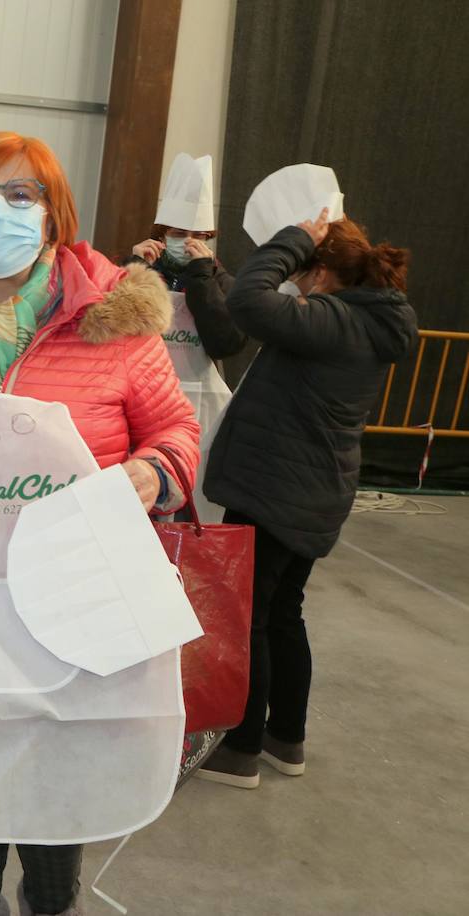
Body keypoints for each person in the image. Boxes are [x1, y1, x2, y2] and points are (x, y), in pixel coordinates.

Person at [0, 131, 200, 916]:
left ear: (55, 218)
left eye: (23, 196)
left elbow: (180, 433)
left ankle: (53, 903)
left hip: (79, 597)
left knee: (58, 777)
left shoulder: (118, 325)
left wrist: (150, 474)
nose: (0, 211)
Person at [197, 212, 416, 789]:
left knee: (252, 620)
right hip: (313, 490)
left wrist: (294, 240)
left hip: (277, 490)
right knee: (283, 613)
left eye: (305, 268)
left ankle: (241, 748)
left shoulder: (332, 319)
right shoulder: (368, 321)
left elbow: (248, 302)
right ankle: (284, 740)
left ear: (321, 272)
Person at [127, 152, 236, 523]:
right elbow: (108, 330)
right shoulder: (136, 270)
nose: (187, 242)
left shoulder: (221, 281)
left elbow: (227, 342)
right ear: (161, 234)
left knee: (191, 509)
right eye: (177, 235)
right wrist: (135, 271)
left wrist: (201, 277)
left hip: (199, 412)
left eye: (196, 236)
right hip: (140, 407)